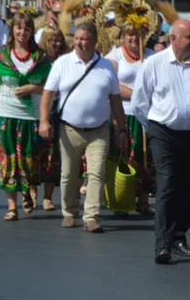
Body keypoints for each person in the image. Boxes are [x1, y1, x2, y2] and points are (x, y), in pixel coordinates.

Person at [132, 20, 190, 263]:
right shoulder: (154, 64)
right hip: (163, 133)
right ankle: (163, 244)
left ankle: (180, 235)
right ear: (173, 39)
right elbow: (140, 102)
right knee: (168, 183)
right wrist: (152, 129)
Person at [38, 22, 128, 232]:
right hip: (69, 129)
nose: (78, 43)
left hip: (99, 131)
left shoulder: (106, 66)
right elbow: (48, 95)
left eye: (84, 39)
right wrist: (43, 120)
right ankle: (70, 212)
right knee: (69, 174)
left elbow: (115, 100)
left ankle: (91, 217)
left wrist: (121, 129)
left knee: (96, 173)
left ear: (94, 42)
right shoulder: (62, 63)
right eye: (76, 38)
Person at [0, 13, 51, 220]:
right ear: (12, 31)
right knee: (6, 159)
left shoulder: (41, 57)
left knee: (29, 159)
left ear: (31, 32)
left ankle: (27, 191)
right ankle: (12, 207)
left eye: (26, 28)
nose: (22, 32)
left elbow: (50, 87)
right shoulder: (1, 56)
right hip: (4, 113)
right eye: (18, 28)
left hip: (30, 116)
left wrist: (32, 87)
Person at [107, 24, 156, 215]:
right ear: (123, 37)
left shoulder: (152, 56)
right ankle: (122, 199)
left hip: (146, 114)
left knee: (145, 157)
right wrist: (137, 94)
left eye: (138, 35)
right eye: (130, 35)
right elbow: (111, 83)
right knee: (124, 156)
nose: (134, 39)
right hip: (123, 113)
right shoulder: (115, 56)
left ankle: (143, 201)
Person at [38, 26, 69, 212]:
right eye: (52, 39)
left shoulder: (65, 60)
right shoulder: (39, 60)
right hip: (39, 110)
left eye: (59, 39)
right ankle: (32, 191)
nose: (56, 43)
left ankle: (47, 197)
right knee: (36, 153)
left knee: (53, 155)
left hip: (59, 111)